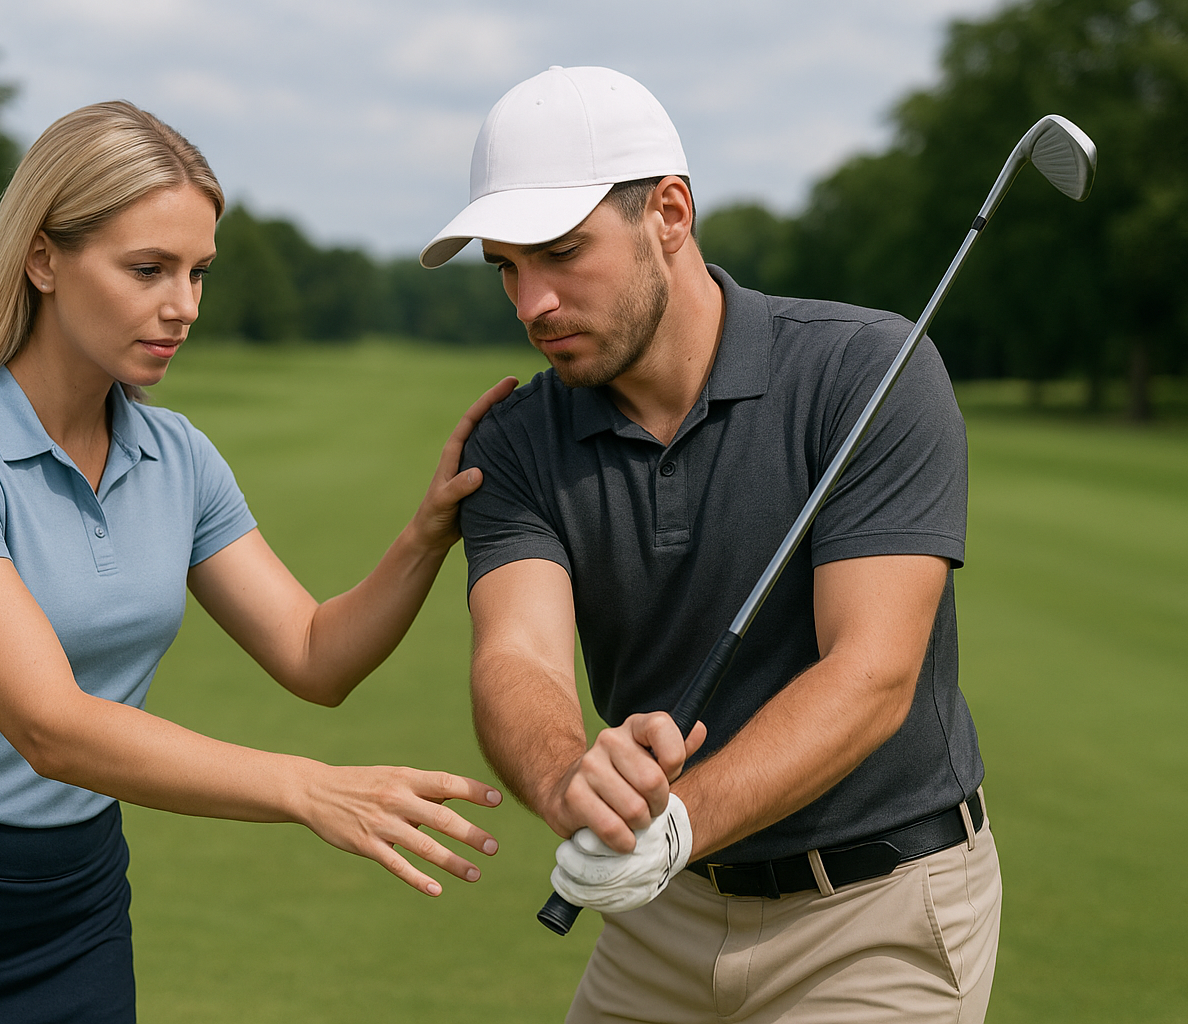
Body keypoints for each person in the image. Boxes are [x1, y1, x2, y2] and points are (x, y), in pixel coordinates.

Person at [0, 100, 515, 1024]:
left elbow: (316, 656)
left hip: (72, 912)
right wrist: (307, 787)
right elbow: (50, 726)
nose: (182, 305)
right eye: (148, 269)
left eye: (198, 272)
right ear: (43, 259)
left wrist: (426, 534)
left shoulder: (179, 457)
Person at [421, 66, 1000, 1023]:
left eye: (562, 253)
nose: (532, 305)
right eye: (508, 269)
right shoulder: (514, 439)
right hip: (660, 916)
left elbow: (873, 675)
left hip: (874, 910)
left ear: (671, 213)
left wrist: (679, 821)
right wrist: (574, 782)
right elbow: (517, 656)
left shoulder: (866, 372)